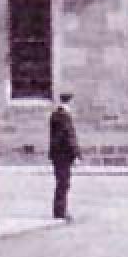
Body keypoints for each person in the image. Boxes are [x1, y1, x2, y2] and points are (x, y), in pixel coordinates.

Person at [48, 92, 80, 222]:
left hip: (57, 154)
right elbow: (69, 137)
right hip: (63, 155)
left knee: (61, 182)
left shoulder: (55, 115)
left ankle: (59, 210)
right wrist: (76, 155)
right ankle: (60, 211)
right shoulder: (64, 117)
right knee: (63, 183)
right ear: (69, 103)